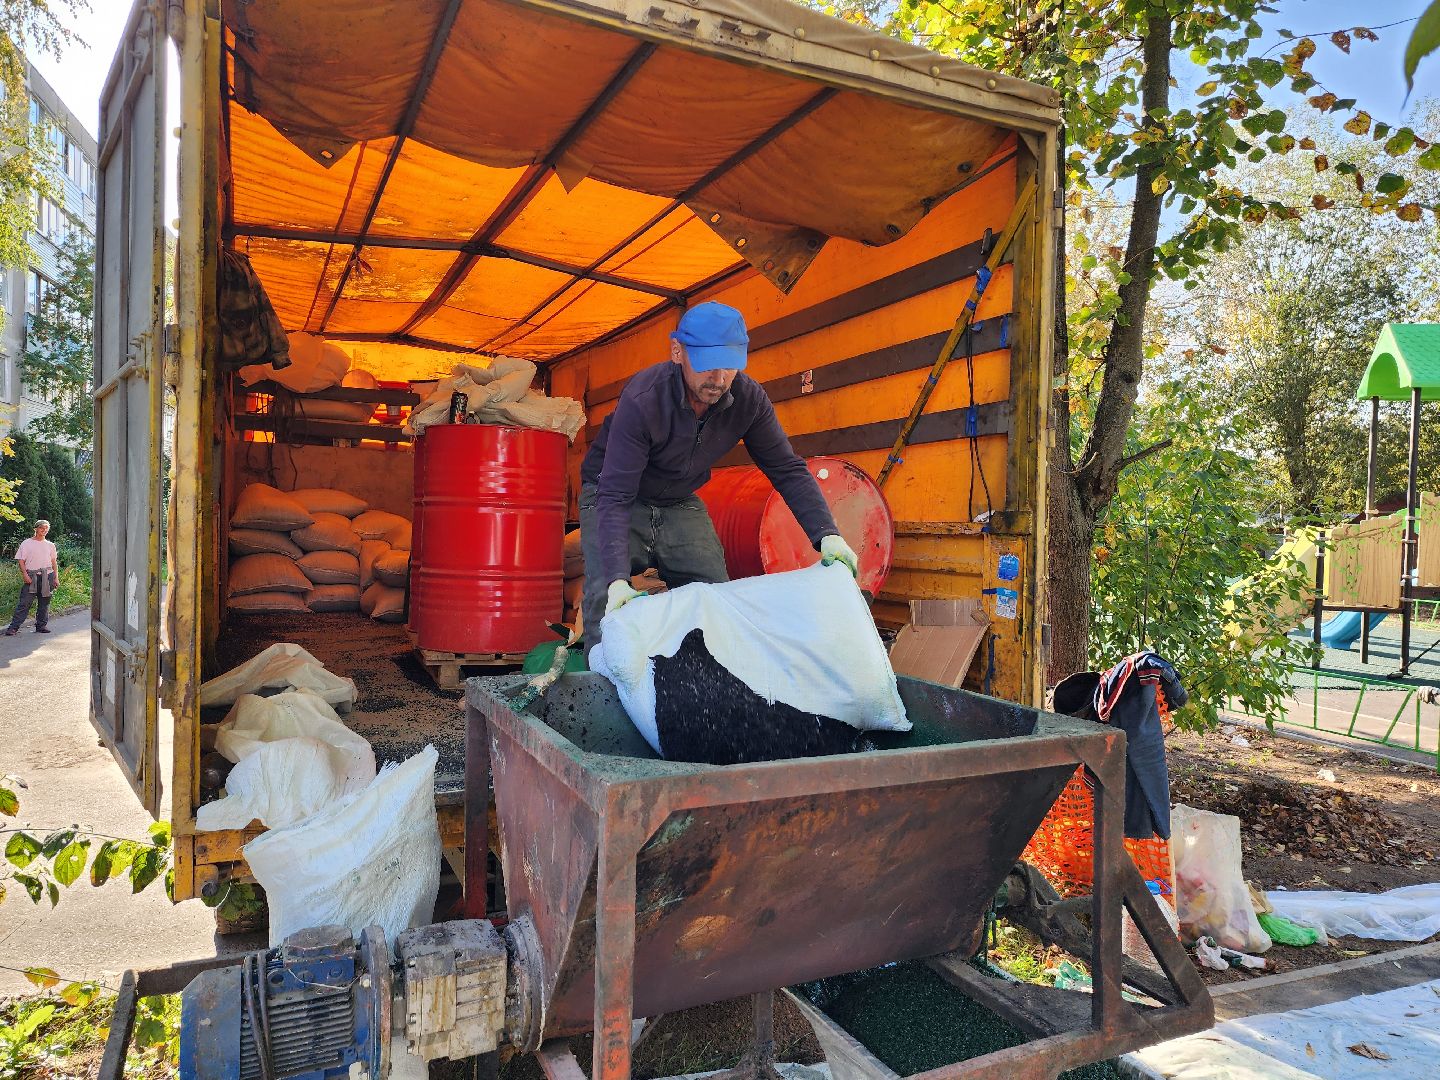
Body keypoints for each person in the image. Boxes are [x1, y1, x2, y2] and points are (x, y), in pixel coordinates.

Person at [579, 301, 859, 655]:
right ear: (677, 351)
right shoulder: (644, 398)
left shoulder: (749, 399)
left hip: (679, 499)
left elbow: (786, 468)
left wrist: (827, 534)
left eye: (730, 365)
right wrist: (619, 581)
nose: (719, 378)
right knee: (605, 594)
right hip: (614, 493)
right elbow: (616, 495)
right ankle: (598, 690)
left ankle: (702, 684)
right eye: (708, 365)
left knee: (714, 594)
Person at [6, 520, 60, 636]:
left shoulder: (50, 545)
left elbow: (54, 562)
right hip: (31, 576)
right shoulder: (27, 543)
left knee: (44, 602)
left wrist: (56, 577)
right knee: (25, 602)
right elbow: (21, 560)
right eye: (42, 528)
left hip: (48, 576)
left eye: (46, 528)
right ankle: (13, 628)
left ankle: (41, 626)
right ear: (36, 529)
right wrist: (25, 574)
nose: (44, 530)